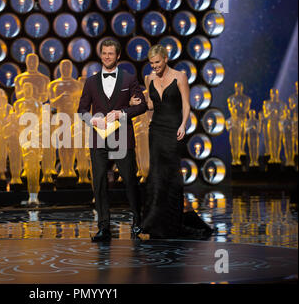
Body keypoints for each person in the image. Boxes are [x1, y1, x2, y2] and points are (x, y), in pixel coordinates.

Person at [130, 44, 213, 239]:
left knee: (171, 176)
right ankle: (153, 222)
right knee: (156, 175)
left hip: (174, 130)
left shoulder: (180, 77)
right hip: (156, 131)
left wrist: (184, 125)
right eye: (151, 63)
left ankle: (172, 221)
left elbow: (186, 104)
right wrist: (138, 102)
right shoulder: (149, 78)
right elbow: (151, 104)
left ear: (165, 59)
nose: (154, 67)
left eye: (157, 62)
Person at [77, 39, 148, 242]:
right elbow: (81, 110)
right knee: (99, 183)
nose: (107, 56)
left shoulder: (129, 79)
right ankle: (103, 227)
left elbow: (141, 105)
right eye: (104, 53)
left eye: (111, 53)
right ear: (101, 55)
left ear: (118, 56)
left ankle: (136, 223)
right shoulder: (90, 82)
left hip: (122, 137)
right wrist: (92, 120)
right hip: (98, 140)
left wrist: (122, 112)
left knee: (130, 181)